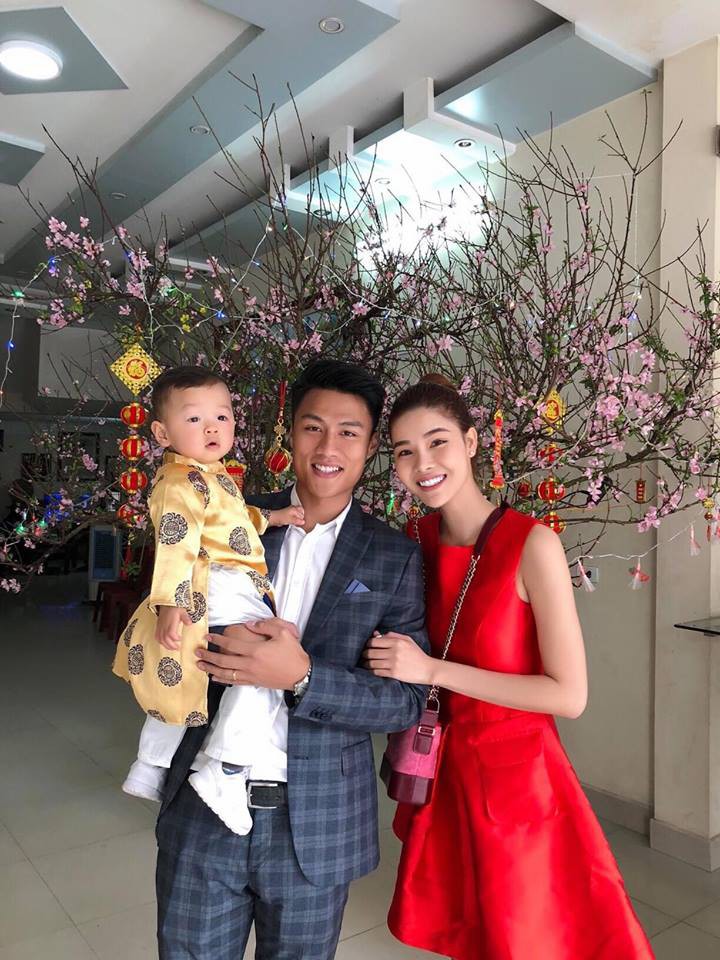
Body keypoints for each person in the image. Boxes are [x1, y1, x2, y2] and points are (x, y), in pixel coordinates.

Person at [364, 375, 654, 960]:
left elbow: (569, 695)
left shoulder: (532, 544)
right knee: (467, 934)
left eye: (438, 442)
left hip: (517, 782)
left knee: (522, 937)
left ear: (472, 442)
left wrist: (431, 671)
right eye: (404, 451)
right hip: (441, 770)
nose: (423, 464)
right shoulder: (414, 538)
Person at [154, 359, 429, 960]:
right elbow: (166, 605)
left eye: (348, 432)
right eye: (312, 428)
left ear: (371, 446)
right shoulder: (229, 516)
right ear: (289, 431)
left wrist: (303, 678)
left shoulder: (394, 557)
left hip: (315, 823)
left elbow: (404, 701)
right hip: (204, 802)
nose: (328, 448)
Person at [113, 365, 303, 836]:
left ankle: (150, 764)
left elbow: (231, 521)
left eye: (222, 416)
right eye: (194, 419)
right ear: (162, 433)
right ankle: (225, 768)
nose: (212, 427)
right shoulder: (178, 483)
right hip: (217, 584)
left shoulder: (210, 477)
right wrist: (171, 603)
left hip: (222, 582)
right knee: (263, 662)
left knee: (190, 673)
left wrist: (274, 517)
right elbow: (175, 541)